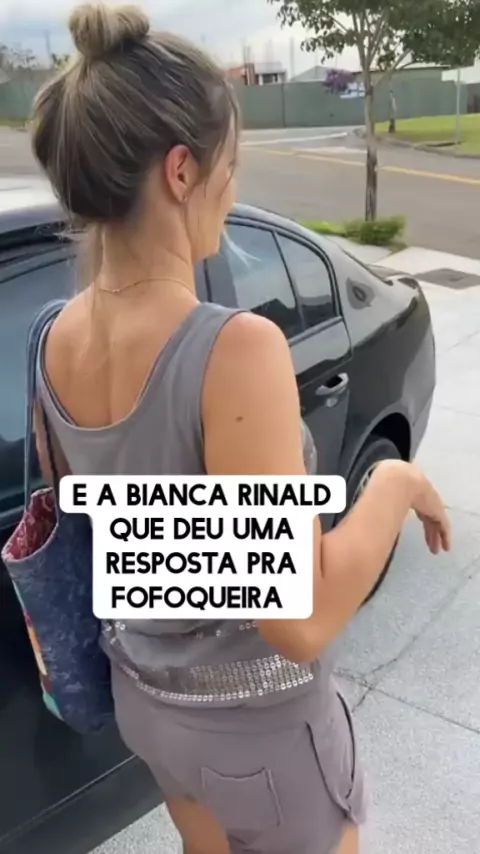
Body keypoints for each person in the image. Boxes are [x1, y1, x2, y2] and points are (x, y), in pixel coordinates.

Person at [30, 4, 451, 854]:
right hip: (260, 737)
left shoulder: (51, 338)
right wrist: (394, 483)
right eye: (232, 164)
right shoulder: (233, 349)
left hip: (149, 708)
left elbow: (139, 542)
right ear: (182, 171)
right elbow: (297, 619)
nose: (234, 186)